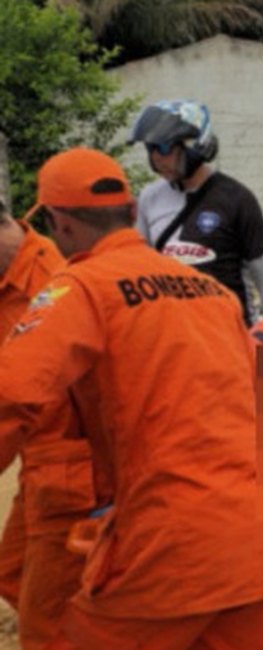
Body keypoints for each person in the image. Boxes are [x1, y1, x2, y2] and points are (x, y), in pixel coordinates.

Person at [0, 148, 263, 648]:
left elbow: (10, 394)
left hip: (171, 545)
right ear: (132, 211)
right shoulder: (212, 293)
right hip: (258, 542)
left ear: (59, 222)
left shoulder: (81, 289)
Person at [0, 200, 98, 649]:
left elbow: (19, 397)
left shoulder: (52, 285)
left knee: (44, 624)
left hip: (68, 470)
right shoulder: (11, 278)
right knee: (13, 572)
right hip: (40, 461)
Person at [128, 100, 263, 326]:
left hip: (230, 333)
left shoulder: (237, 199)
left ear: (193, 145)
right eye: (150, 148)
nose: (156, 158)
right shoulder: (148, 199)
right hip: (176, 334)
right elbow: (139, 270)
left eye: (164, 147)